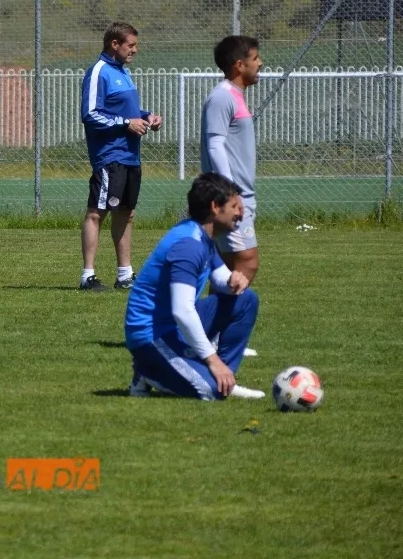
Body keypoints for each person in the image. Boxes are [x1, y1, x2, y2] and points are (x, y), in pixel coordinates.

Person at [124, 172, 264, 400]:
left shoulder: (203, 236)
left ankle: (225, 377)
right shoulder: (189, 245)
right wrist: (212, 359)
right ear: (215, 207)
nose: (241, 212)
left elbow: (220, 278)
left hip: (172, 326)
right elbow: (182, 310)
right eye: (234, 206)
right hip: (151, 335)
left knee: (246, 299)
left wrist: (233, 282)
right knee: (210, 392)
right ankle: (147, 370)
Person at [79, 22, 162, 291]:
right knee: (97, 213)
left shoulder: (122, 72)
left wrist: (147, 117)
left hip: (130, 156)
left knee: (126, 214)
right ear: (115, 44)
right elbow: (90, 114)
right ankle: (88, 276)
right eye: (131, 45)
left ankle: (125, 275)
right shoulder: (99, 72)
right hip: (110, 156)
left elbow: (128, 111)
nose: (135, 50)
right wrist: (127, 122)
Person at [200, 35, 263, 283]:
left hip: (240, 196)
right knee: (246, 262)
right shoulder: (222, 96)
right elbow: (215, 146)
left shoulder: (235, 95)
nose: (260, 63)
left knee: (229, 269)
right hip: (231, 199)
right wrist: (230, 193)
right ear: (239, 65)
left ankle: (216, 310)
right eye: (255, 58)